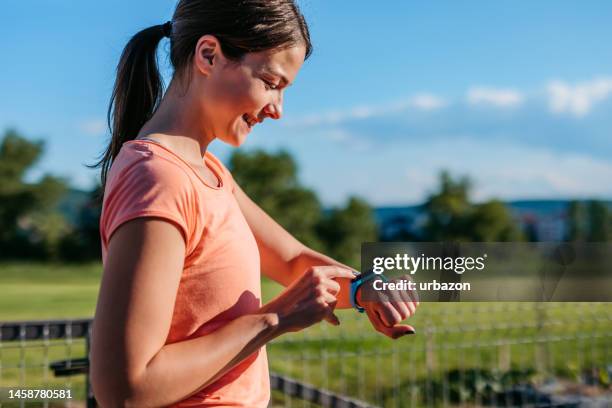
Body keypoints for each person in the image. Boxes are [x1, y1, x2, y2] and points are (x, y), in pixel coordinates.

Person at [90, 1, 419, 406]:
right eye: (271, 82)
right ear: (208, 55)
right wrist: (274, 319)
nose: (277, 110)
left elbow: (293, 260)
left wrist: (366, 289)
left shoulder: (207, 172)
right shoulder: (159, 178)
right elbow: (125, 389)